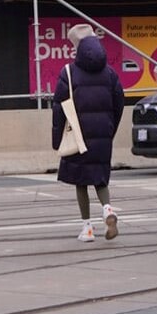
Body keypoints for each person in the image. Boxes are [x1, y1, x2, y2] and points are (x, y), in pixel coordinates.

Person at [52, 32, 125, 242]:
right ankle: (108, 210)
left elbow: (58, 110)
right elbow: (119, 102)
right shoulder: (110, 73)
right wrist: (110, 130)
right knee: (100, 179)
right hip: (103, 134)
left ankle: (87, 228)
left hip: (78, 135)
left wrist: (56, 140)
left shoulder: (68, 72)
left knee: (81, 181)